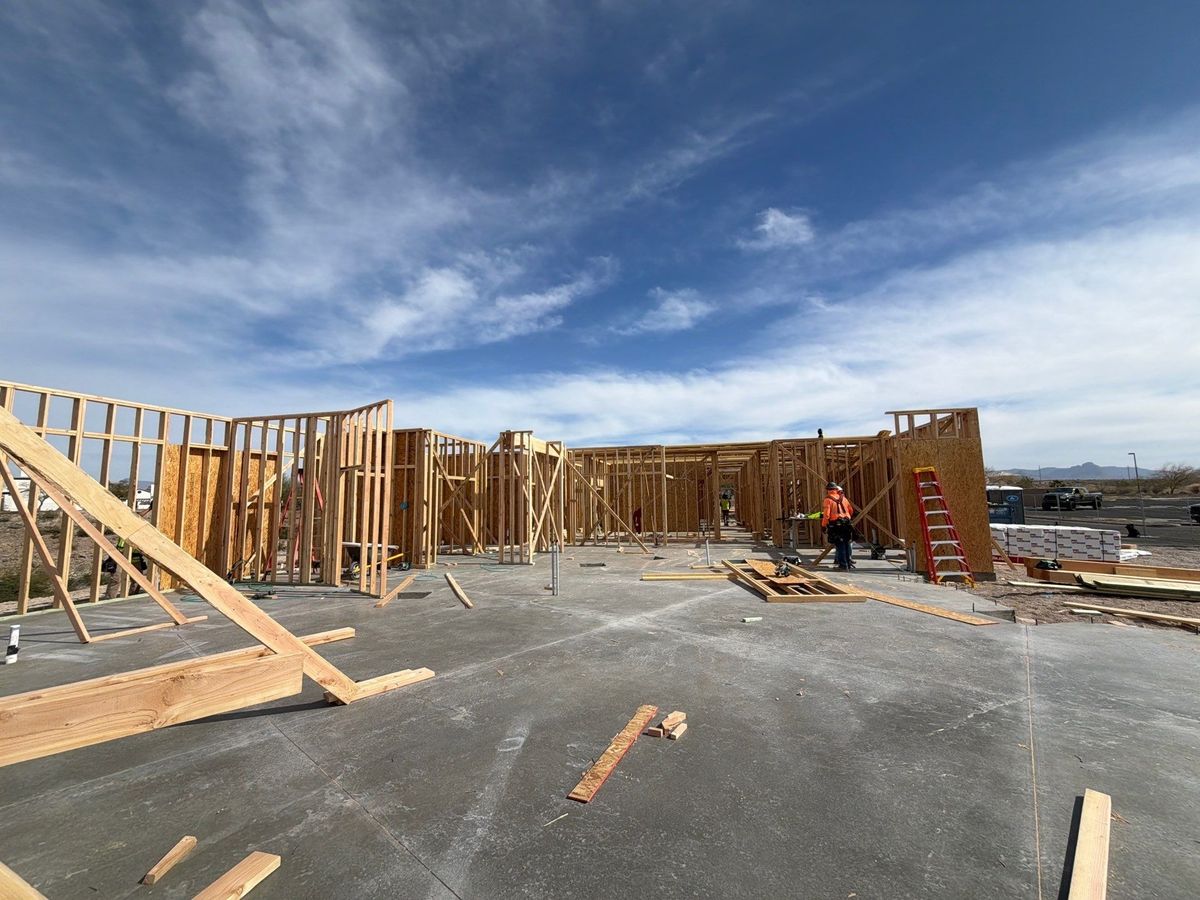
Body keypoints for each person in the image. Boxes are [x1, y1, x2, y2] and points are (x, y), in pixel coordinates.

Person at [821, 481, 856, 570]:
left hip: (836, 524)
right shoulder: (843, 498)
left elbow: (826, 515)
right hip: (846, 523)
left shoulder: (828, 499)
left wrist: (824, 525)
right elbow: (851, 510)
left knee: (839, 544)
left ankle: (843, 565)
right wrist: (846, 518)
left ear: (828, 490)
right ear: (836, 489)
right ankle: (848, 563)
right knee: (846, 543)